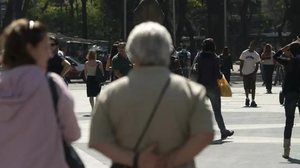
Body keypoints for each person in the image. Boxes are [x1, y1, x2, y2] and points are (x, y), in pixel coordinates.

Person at [89, 22, 214, 168]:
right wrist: (171, 160)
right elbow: (205, 135)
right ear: (168, 50)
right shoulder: (192, 92)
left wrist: (135, 160)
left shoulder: (111, 94)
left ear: (131, 53)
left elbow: (98, 140)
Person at [0, 19, 80, 168]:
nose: (50, 54)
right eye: (45, 48)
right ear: (31, 49)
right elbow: (73, 133)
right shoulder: (51, 85)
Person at [193, 38, 234, 140]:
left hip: (200, 87)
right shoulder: (214, 58)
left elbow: (194, 69)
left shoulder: (199, 56)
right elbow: (217, 75)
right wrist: (221, 76)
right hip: (212, 87)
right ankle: (223, 131)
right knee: (217, 111)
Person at [273, 38, 300, 159]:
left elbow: (275, 56)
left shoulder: (289, 61)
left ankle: (286, 150)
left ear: (291, 51)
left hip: (290, 93)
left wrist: (287, 46)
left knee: (289, 121)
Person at [239, 41, 261, 107]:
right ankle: (247, 98)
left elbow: (257, 64)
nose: (253, 48)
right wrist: (241, 71)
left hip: (252, 72)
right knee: (246, 87)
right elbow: (241, 62)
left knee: (253, 87)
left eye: (254, 47)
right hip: (245, 72)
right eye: (252, 46)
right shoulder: (244, 53)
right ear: (250, 46)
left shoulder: (256, 54)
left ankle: (253, 100)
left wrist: (255, 72)